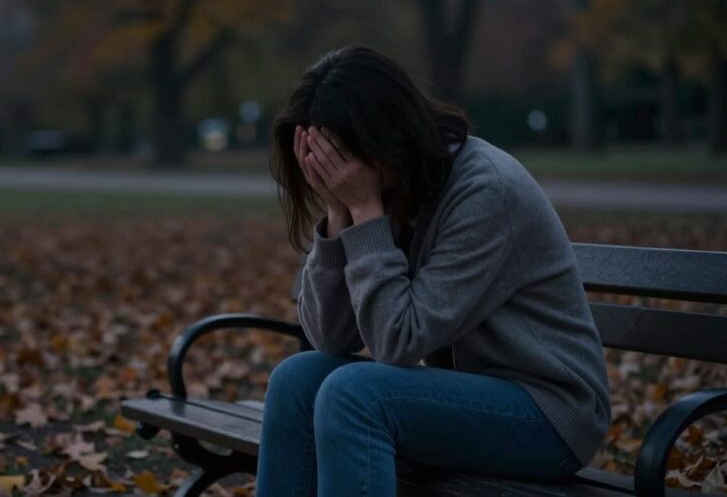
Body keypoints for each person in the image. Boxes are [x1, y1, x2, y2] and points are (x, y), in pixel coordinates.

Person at [258, 45, 611, 497]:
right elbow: (330, 338)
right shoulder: (396, 184)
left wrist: (365, 209)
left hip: (549, 415)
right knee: (297, 379)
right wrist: (337, 214)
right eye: (323, 161)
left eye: (341, 158)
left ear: (385, 137)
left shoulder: (485, 191)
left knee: (355, 394)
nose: (335, 173)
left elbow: (398, 341)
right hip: (463, 398)